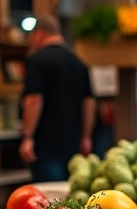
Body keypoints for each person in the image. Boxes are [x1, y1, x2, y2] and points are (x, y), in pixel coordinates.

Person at [19, 15, 94, 182]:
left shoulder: (37, 61)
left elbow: (34, 99)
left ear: (39, 33)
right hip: (73, 141)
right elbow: (88, 102)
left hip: (45, 142)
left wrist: (27, 137)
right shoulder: (79, 62)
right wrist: (86, 137)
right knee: (69, 193)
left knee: (49, 199)